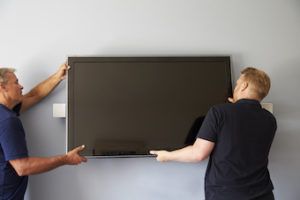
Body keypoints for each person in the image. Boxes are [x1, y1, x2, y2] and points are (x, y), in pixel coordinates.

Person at [150, 67, 276, 200]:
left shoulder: (219, 112)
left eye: (238, 84)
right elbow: (244, 136)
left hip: (227, 194)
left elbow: (198, 154)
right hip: (263, 193)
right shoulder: (270, 119)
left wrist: (167, 156)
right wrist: (235, 107)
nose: (235, 88)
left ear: (244, 85)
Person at [0, 64, 87, 200]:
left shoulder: (5, 113)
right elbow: (23, 167)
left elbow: (35, 95)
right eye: (16, 82)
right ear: (2, 87)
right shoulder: (7, 120)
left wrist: (58, 76)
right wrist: (65, 159)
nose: (21, 86)